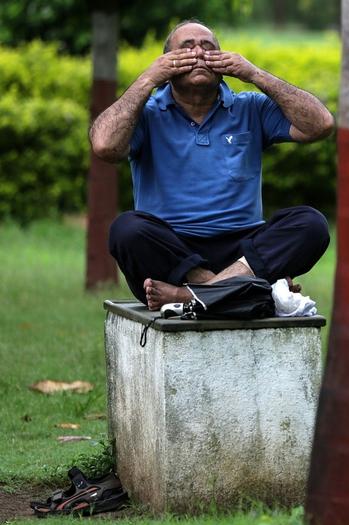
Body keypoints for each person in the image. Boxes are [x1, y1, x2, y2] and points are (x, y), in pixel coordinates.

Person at [90, 20, 334, 309]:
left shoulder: (251, 107)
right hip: (172, 252)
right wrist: (148, 79)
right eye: (187, 48)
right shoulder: (146, 113)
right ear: (167, 62)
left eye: (208, 48)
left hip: (243, 252)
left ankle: (193, 296)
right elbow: (104, 145)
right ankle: (241, 292)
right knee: (126, 230)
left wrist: (254, 74)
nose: (199, 53)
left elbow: (321, 124)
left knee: (311, 225)